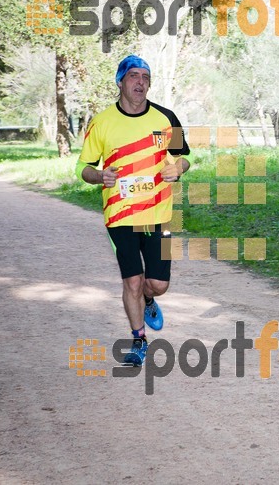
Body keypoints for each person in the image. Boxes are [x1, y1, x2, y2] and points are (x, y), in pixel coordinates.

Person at [77, 55, 190, 366]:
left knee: (158, 285)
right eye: (134, 76)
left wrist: (177, 168)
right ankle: (138, 340)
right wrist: (99, 176)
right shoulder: (101, 122)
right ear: (120, 82)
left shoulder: (167, 118)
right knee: (133, 282)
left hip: (160, 216)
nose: (141, 82)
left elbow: (184, 158)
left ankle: (150, 300)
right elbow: (83, 167)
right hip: (120, 217)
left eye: (145, 77)